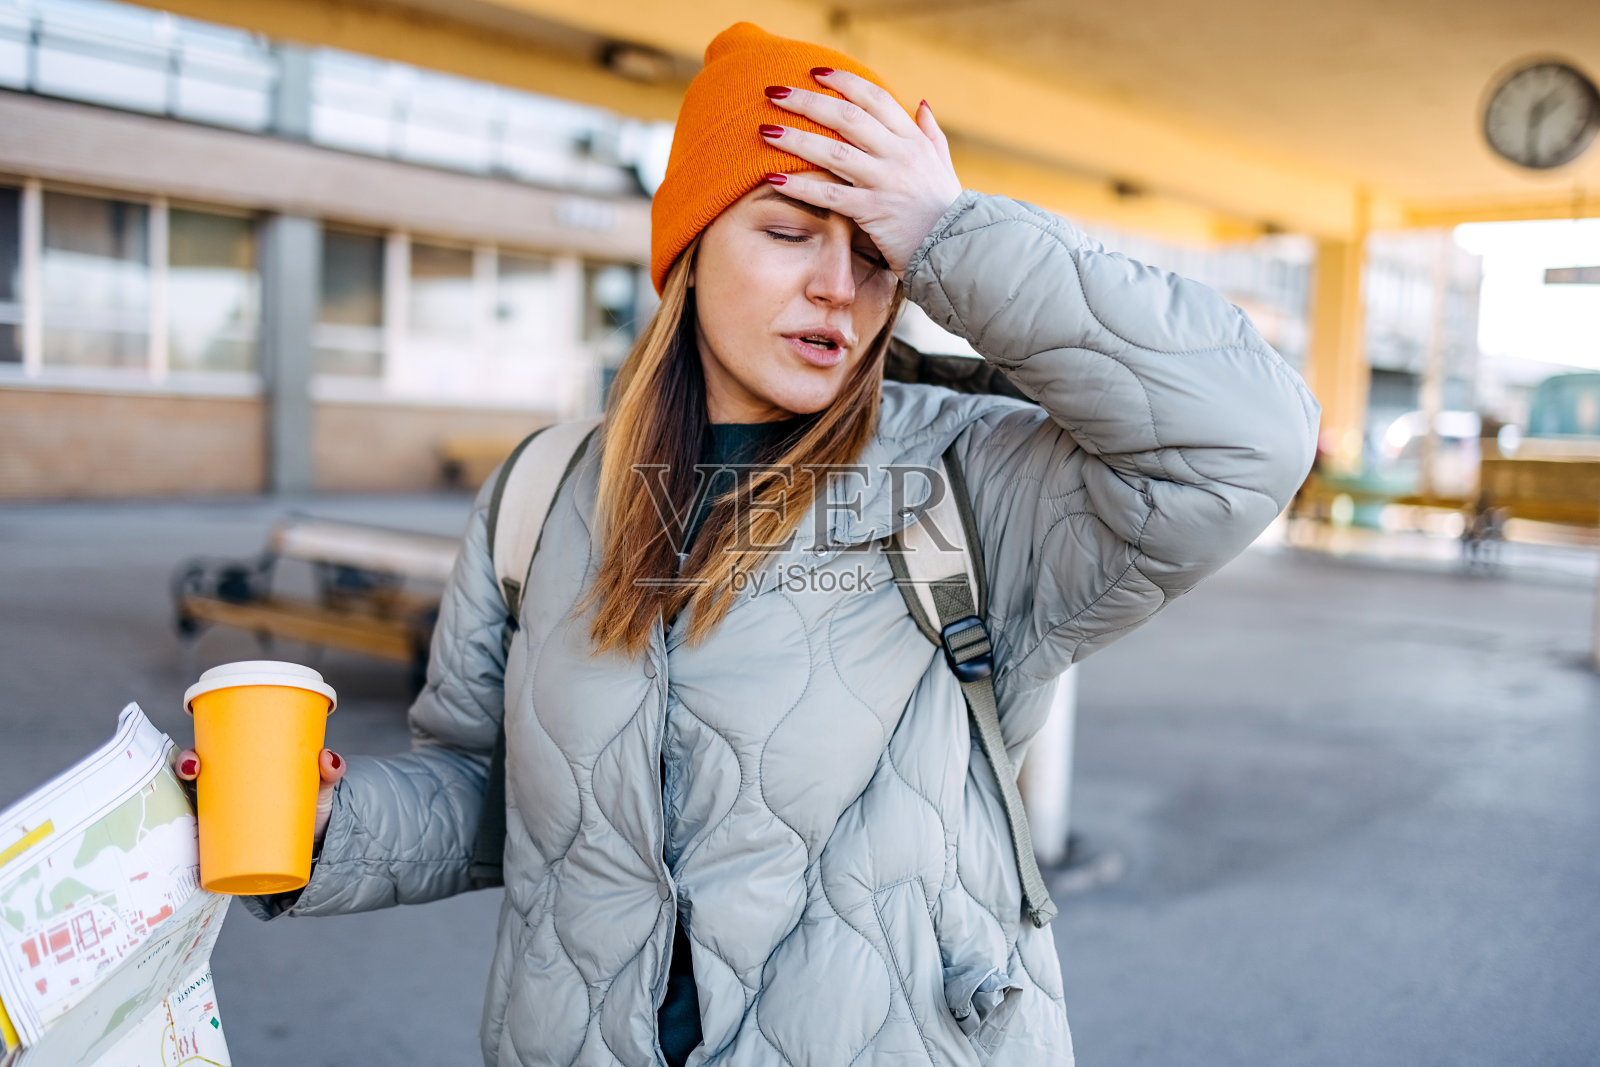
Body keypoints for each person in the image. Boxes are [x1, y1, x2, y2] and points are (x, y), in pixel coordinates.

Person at [176, 21, 1320, 1066]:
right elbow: (495, 788)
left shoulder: (973, 476)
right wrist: (328, 828)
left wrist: (952, 234)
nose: (837, 286)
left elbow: (1247, 436)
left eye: (874, 252)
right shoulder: (543, 490)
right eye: (785, 230)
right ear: (688, 248)